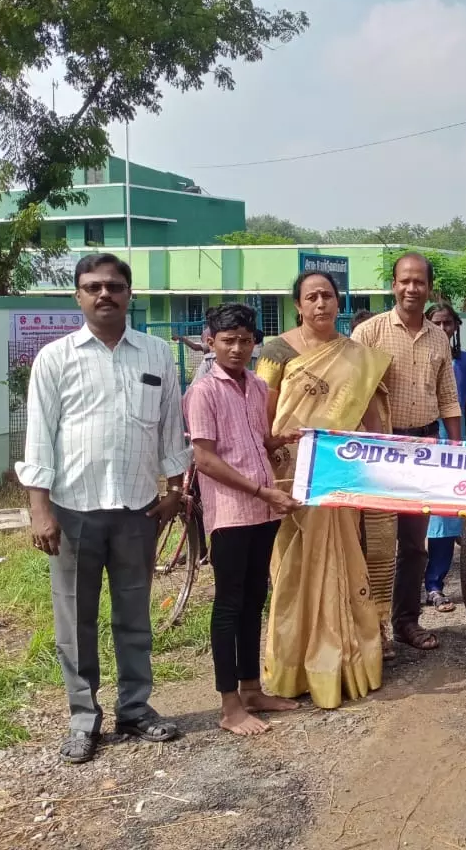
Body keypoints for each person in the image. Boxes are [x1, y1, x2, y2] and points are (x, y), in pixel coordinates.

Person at [17, 253, 191, 764]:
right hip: (73, 511)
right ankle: (82, 718)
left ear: (129, 293)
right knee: (75, 620)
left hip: (138, 508)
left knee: (134, 616)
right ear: (78, 296)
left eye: (114, 286)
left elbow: (171, 431)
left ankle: (135, 710)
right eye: (93, 286)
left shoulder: (156, 355)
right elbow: (38, 439)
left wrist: (176, 490)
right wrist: (39, 510)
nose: (104, 294)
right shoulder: (55, 358)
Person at [255, 271, 388, 707]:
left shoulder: (358, 358)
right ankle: (294, 667)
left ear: (338, 301)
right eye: (311, 297)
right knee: (292, 572)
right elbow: (263, 418)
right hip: (289, 480)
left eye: (327, 296)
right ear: (297, 304)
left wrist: (377, 462)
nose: (320, 304)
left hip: (338, 478)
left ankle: (347, 662)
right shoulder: (276, 352)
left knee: (344, 563)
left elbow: (369, 420)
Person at [185, 303, 301, 736]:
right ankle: (229, 705)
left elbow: (254, 441)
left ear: (255, 344)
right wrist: (260, 490)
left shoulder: (255, 386)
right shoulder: (203, 392)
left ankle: (252, 690)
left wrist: (279, 440)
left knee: (255, 599)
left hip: (264, 510)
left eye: (245, 340)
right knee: (229, 606)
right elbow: (207, 460)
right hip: (232, 514)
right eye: (227, 340)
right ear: (210, 342)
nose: (236, 348)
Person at [352, 253, 462, 652]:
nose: (411, 288)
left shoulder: (438, 337)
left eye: (419, 282)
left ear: (429, 287)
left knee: (415, 544)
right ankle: (369, 628)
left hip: (424, 449)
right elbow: (354, 393)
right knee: (374, 543)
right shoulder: (369, 333)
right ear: (393, 285)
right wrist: (371, 442)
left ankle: (405, 622)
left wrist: (454, 448)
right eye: (404, 281)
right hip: (379, 449)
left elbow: (448, 397)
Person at [423, 303, 466, 611]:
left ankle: (435, 583)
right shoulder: (419, 360)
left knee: (445, 519)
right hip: (423, 446)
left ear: (456, 326)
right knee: (421, 520)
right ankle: (418, 584)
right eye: (437, 322)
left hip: (455, 447)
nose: (444, 329)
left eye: (448, 323)